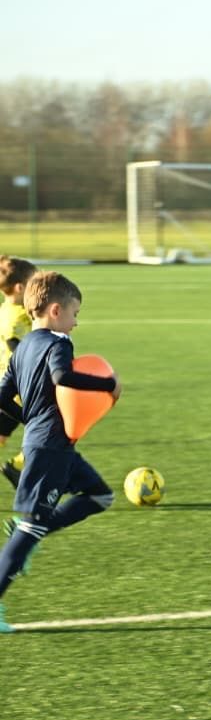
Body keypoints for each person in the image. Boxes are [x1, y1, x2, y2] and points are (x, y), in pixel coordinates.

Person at [0, 271, 121, 632]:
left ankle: (29, 530)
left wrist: (32, 417)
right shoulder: (58, 343)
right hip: (50, 450)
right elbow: (62, 378)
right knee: (31, 529)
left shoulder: (21, 349)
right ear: (55, 310)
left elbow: (3, 396)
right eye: (74, 313)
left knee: (101, 496)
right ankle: (24, 537)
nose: (76, 322)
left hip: (51, 446)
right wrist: (107, 384)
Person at [0, 255, 38, 486]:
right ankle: (18, 466)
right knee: (55, 428)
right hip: (19, 390)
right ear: (20, 287)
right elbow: (16, 349)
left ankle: (18, 467)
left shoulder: (8, 309)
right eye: (34, 284)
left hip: (12, 388)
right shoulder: (15, 318)